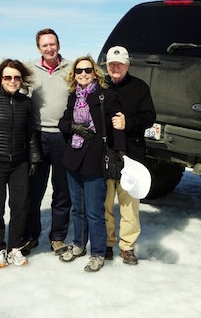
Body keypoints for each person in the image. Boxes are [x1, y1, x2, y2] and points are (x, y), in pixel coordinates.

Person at [58, 56, 125, 272]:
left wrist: (120, 153)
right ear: (74, 74)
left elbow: (117, 126)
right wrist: (74, 127)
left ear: (95, 72)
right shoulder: (74, 96)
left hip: (95, 159)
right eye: (79, 71)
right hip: (73, 158)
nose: (83, 74)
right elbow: (63, 122)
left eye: (87, 70)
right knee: (78, 207)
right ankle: (78, 244)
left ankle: (97, 252)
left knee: (95, 211)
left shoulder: (107, 95)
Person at [0, 59, 41, 269]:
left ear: (22, 80)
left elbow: (30, 134)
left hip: (19, 163)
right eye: (8, 77)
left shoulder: (26, 103)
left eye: (16, 77)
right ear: (0, 79)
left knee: (20, 207)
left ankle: (14, 248)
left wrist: (34, 158)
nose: (12, 81)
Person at [104, 46, 156, 265]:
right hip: (105, 153)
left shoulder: (139, 87)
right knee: (104, 203)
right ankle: (106, 242)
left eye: (120, 64)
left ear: (127, 65)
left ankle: (127, 246)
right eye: (111, 64)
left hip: (131, 154)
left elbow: (150, 117)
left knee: (129, 204)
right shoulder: (99, 86)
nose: (115, 68)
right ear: (106, 66)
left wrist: (128, 124)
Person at [24, 28, 72, 256]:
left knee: (62, 191)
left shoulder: (72, 69)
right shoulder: (29, 70)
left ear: (59, 45)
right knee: (34, 190)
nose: (49, 48)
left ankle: (58, 237)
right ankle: (32, 235)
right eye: (44, 45)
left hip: (63, 137)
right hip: (38, 136)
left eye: (52, 44)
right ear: (38, 48)